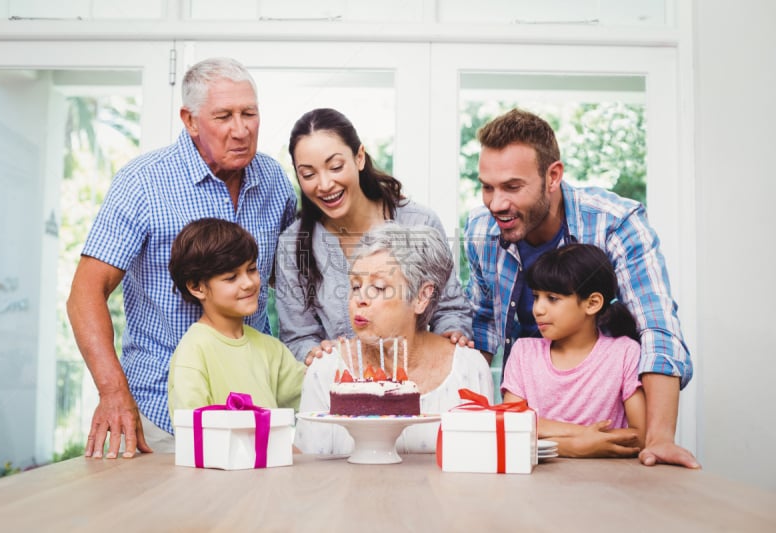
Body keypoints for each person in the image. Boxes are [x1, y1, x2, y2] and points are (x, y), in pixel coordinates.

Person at [66, 57, 297, 458]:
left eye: (249, 114)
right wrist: (112, 391)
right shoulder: (143, 182)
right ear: (190, 120)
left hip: (257, 412)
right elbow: (85, 293)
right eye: (224, 116)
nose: (240, 130)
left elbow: (290, 282)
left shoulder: (273, 180)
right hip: (163, 413)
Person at [464, 108, 699, 468]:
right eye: (487, 187)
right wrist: (476, 425)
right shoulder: (481, 231)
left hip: (601, 422)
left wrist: (659, 438)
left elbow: (658, 327)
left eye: (512, 187)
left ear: (553, 176)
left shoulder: (616, 222)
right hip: (532, 436)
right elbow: (481, 331)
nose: (496, 203)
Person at [275, 107, 473, 365]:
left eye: (335, 167)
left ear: (359, 157)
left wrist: (451, 334)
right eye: (309, 174)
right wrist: (316, 355)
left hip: (418, 386)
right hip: (340, 389)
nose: (324, 185)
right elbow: (298, 339)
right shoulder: (293, 245)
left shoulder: (418, 223)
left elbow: (450, 309)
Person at [294, 223, 493, 454]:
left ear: (421, 296)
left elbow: (484, 464)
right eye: (356, 285)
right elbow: (310, 474)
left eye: (378, 288)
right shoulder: (326, 371)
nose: (360, 299)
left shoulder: (468, 369)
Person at [501, 243, 645, 457]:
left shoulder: (625, 353)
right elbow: (512, 427)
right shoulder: (523, 352)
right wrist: (577, 443)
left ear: (592, 303)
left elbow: (639, 438)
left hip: (612, 483)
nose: (538, 309)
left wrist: (541, 430)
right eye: (536, 296)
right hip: (537, 483)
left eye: (552, 298)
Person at [166, 218, 304, 420]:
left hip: (275, 453)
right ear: (197, 287)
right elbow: (192, 432)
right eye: (231, 277)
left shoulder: (271, 348)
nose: (248, 283)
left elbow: (314, 396)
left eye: (251, 269)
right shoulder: (194, 351)